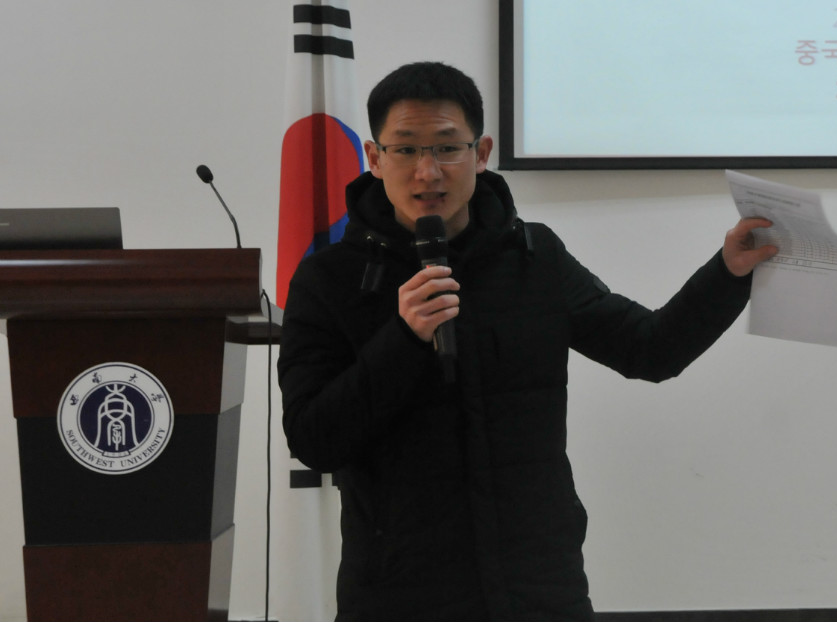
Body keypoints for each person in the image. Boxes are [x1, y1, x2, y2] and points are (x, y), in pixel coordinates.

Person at [277, 61, 776, 622]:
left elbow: (651, 349)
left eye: (447, 148)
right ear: (374, 157)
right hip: (399, 592)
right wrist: (404, 339)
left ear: (481, 152)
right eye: (406, 149)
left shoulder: (534, 257)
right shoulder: (329, 279)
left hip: (538, 584)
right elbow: (313, 439)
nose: (427, 171)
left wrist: (727, 274)